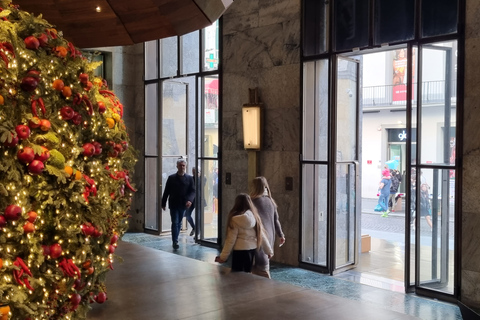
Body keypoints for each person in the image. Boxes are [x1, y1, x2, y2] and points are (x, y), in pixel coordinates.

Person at [214, 193, 273, 273]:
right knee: (247, 275)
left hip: (239, 251)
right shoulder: (255, 217)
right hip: (251, 250)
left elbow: (230, 240)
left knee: (237, 276)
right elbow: (262, 235)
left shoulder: (235, 220)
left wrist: (223, 257)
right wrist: (268, 251)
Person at [250, 177, 285, 278]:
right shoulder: (270, 201)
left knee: (260, 269)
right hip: (269, 237)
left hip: (258, 237)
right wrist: (281, 235)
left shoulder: (252, 201)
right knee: (264, 265)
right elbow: (276, 220)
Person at [161, 158, 195, 250]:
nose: (182, 167)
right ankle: (175, 241)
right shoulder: (171, 178)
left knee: (179, 222)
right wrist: (163, 202)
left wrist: (190, 200)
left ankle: (175, 238)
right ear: (177, 166)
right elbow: (166, 191)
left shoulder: (190, 178)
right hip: (174, 204)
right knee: (175, 222)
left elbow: (192, 191)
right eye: (180, 165)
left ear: (185, 166)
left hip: (183, 204)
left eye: (183, 165)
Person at [184, 167, 206, 236]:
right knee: (187, 215)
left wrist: (199, 176)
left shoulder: (202, 179)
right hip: (191, 200)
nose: (194, 173)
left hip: (199, 199)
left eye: (195, 172)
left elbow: (201, 185)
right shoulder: (191, 178)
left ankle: (197, 232)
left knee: (198, 216)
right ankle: (194, 228)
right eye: (193, 172)